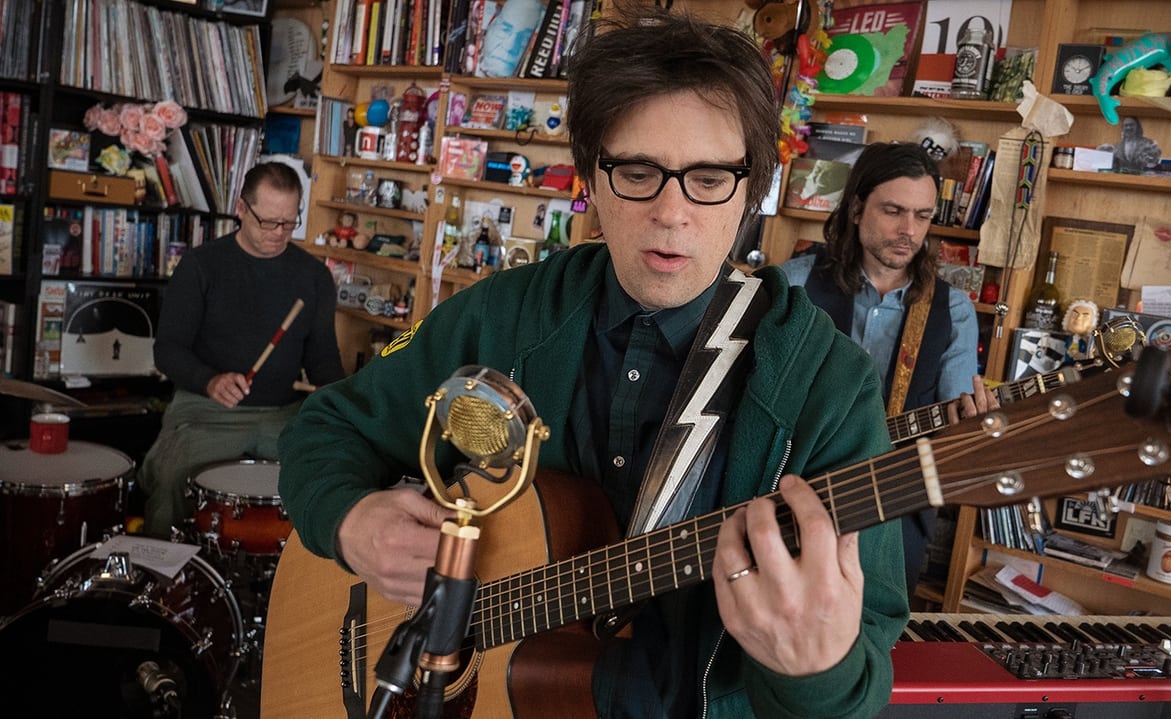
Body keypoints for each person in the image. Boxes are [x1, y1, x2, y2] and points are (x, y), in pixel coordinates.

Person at [278, 7, 907, 718]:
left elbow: (861, 677)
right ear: (590, 176)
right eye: (637, 171)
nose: (672, 213)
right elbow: (326, 426)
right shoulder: (504, 311)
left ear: (751, 186)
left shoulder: (830, 385)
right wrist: (350, 520)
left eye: (709, 178)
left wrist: (814, 669)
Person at [781, 142, 998, 595]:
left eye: (922, 215)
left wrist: (973, 429)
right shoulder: (792, 285)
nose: (909, 230)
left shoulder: (952, 310)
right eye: (894, 211)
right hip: (788, 502)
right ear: (857, 209)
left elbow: (953, 429)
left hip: (894, 520)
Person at [138, 162, 344, 538]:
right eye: (268, 222)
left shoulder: (313, 277)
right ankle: (165, 583)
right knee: (170, 475)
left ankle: (294, 585)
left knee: (329, 478)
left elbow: (323, 362)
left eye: (288, 222)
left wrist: (342, 406)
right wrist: (210, 381)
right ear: (241, 209)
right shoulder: (201, 266)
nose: (278, 233)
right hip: (207, 410)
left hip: (283, 414)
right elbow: (167, 351)